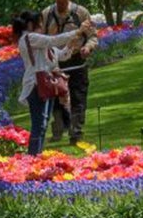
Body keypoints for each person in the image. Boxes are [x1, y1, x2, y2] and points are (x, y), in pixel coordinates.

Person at [14, 10, 89, 156]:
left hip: (46, 84)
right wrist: (78, 31)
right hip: (36, 85)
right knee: (39, 123)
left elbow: (61, 56)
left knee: (43, 123)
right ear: (31, 24)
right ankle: (33, 156)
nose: (43, 26)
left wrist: (71, 44)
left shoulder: (39, 41)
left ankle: (37, 154)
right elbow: (53, 41)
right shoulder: (29, 38)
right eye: (40, 23)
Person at [38, 0, 96, 145]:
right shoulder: (47, 14)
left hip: (77, 59)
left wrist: (88, 47)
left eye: (63, 2)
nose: (60, 6)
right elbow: (40, 38)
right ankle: (58, 130)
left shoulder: (81, 13)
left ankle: (76, 133)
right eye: (58, 2)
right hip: (55, 61)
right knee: (55, 97)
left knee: (78, 96)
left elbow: (93, 36)